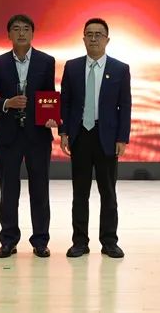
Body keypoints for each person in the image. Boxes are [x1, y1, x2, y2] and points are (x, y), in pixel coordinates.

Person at [0, 14, 58, 258]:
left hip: (38, 135)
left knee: (40, 190)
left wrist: (52, 117)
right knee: (8, 191)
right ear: (9, 34)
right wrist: (7, 103)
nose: (21, 33)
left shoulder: (46, 61)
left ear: (33, 33)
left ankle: (40, 241)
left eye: (26, 29)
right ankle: (8, 240)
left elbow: (49, 95)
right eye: (16, 29)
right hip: (9, 136)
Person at [59, 17, 131, 259]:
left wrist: (122, 137)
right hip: (80, 136)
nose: (93, 38)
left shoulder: (120, 69)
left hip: (107, 137)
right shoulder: (72, 67)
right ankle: (79, 242)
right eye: (89, 34)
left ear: (107, 40)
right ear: (83, 39)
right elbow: (66, 102)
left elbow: (125, 105)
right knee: (80, 193)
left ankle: (109, 241)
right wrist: (64, 132)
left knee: (108, 192)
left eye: (98, 34)